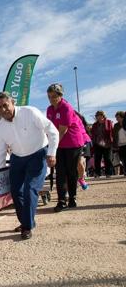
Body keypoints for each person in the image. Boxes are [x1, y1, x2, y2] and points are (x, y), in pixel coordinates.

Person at [0, 92, 58, 240]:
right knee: (16, 191)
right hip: (17, 158)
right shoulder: (0, 127)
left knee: (30, 188)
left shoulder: (30, 112)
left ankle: (27, 226)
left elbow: (52, 130)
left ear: (12, 103)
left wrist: (52, 152)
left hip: (38, 154)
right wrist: (1, 170)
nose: (3, 110)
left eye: (5, 105)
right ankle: (26, 221)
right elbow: (0, 151)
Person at [46, 83, 86, 212]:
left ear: (60, 95)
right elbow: (49, 129)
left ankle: (72, 198)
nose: (51, 99)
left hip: (72, 142)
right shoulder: (49, 109)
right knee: (60, 172)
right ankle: (61, 200)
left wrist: (52, 146)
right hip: (59, 143)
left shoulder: (66, 107)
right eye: (49, 97)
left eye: (54, 96)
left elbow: (62, 130)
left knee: (71, 171)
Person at [91, 110, 114, 178]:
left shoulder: (109, 122)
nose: (98, 117)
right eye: (97, 116)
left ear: (103, 116)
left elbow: (111, 132)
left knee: (108, 159)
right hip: (98, 144)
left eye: (99, 115)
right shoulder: (95, 124)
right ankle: (97, 173)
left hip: (107, 143)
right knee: (97, 159)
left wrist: (112, 141)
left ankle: (108, 173)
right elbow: (93, 133)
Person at [74, 111, 92, 190]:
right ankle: (76, 179)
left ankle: (81, 179)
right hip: (72, 142)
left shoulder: (77, 117)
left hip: (83, 140)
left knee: (80, 161)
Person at [113, 111, 126, 176]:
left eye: (118, 117)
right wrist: (115, 145)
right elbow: (114, 136)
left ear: (122, 117)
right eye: (116, 118)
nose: (116, 119)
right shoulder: (116, 125)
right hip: (120, 145)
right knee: (123, 159)